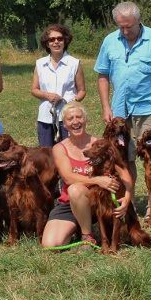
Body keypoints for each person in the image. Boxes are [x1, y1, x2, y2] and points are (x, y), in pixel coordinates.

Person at [94, 1, 151, 180]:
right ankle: (128, 202)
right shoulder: (109, 41)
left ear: (139, 21)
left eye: (129, 27)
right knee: (122, 157)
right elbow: (103, 75)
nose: (125, 32)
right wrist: (105, 107)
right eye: (121, 27)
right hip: (120, 111)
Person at [39, 102, 133, 250]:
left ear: (85, 120)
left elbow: (124, 173)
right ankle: (75, 226)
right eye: (70, 119)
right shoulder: (59, 148)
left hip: (99, 203)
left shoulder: (100, 144)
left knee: (76, 189)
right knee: (50, 244)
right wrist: (98, 180)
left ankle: (87, 236)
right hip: (69, 203)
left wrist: (127, 197)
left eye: (79, 117)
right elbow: (68, 178)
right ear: (64, 125)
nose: (75, 121)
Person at [31, 23, 86, 147]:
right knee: (47, 156)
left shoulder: (74, 63)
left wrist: (71, 101)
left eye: (59, 39)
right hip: (45, 117)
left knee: (69, 151)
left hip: (68, 117)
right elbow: (34, 90)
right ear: (47, 43)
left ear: (65, 41)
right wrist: (47, 95)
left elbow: (82, 91)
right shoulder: (40, 64)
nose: (56, 42)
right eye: (52, 39)